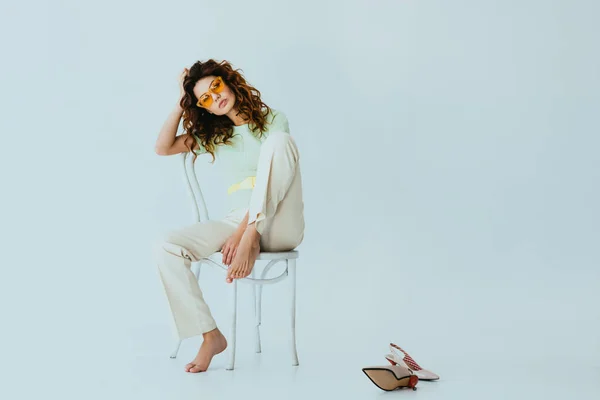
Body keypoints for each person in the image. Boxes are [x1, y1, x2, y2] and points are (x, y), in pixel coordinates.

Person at [153, 59, 305, 373]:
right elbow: (163, 147)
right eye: (204, 98)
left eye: (216, 87)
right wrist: (181, 103)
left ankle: (251, 233)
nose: (215, 97)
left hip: (280, 221)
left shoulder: (273, 120)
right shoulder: (214, 136)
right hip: (236, 221)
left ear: (227, 80)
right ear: (202, 107)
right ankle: (210, 335)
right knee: (166, 245)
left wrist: (248, 234)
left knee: (279, 143)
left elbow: (280, 172)